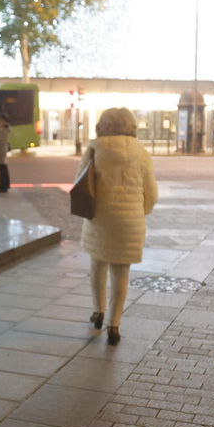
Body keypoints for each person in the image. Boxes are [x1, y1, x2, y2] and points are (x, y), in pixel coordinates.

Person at [76, 107, 157, 345]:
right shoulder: (141, 152)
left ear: (102, 126)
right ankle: (115, 325)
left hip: (100, 217)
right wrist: (140, 211)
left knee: (98, 263)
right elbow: (151, 193)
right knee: (121, 271)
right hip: (129, 221)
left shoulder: (94, 149)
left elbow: (80, 183)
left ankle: (98, 311)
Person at [0, 114, 12, 194]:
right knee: (2, 168)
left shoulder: (4, 129)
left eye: (0, 119)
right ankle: (4, 185)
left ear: (4, 120)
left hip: (1, 151)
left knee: (3, 168)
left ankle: (3, 187)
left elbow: (0, 141)